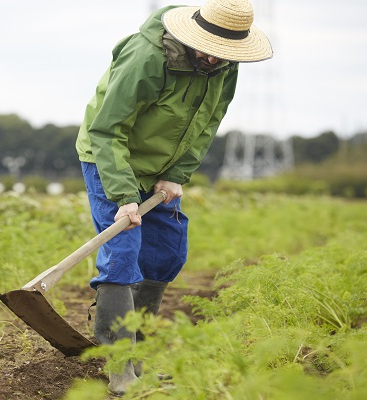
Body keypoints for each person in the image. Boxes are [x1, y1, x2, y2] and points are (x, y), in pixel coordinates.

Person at [75, 0, 272, 395]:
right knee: (123, 252)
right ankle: (119, 369)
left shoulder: (224, 66)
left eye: (224, 51)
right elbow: (106, 129)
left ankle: (138, 358)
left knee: (166, 253)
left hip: (161, 171)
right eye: (208, 46)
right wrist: (124, 195)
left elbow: (207, 123)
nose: (213, 56)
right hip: (112, 161)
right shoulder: (147, 56)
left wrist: (174, 175)